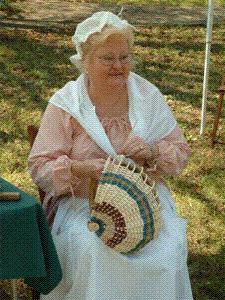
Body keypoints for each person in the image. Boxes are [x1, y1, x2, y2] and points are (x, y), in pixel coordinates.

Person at [28, 11, 193, 300]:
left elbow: (180, 154)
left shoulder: (147, 96)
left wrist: (153, 151)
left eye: (125, 57)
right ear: (85, 62)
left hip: (145, 203)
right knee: (95, 249)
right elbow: (39, 167)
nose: (119, 66)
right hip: (83, 205)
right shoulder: (68, 103)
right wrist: (80, 168)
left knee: (165, 249)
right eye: (107, 58)